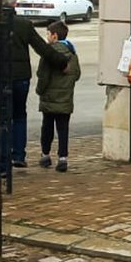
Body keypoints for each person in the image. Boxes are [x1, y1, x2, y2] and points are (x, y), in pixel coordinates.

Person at [0, 0, 69, 172]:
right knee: (19, 115)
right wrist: (62, 61)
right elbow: (42, 48)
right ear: (15, 5)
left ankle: (2, 163)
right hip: (20, 77)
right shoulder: (23, 24)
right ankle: (19, 155)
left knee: (1, 119)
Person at [35, 20, 81, 173]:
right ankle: (63, 158)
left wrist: (39, 90)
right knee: (63, 128)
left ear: (54, 36)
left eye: (48, 34)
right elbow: (76, 74)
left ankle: (45, 155)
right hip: (65, 98)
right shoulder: (72, 53)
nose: (47, 37)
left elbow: (43, 75)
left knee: (47, 127)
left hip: (49, 98)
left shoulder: (49, 53)